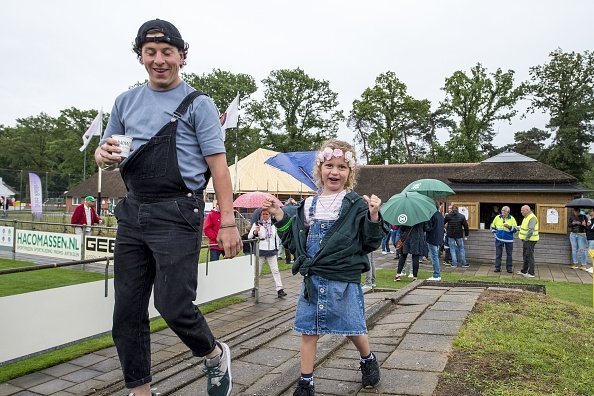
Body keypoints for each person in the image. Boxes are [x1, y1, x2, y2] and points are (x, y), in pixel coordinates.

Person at [94, 19, 242, 396]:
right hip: (133, 211)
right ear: (141, 56)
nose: (159, 60)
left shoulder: (198, 104)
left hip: (178, 212)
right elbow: (110, 155)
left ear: (181, 55)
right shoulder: (125, 102)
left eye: (167, 52)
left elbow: (219, 168)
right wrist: (100, 155)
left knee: (173, 305)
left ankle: (212, 354)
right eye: (150, 52)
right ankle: (140, 390)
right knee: (127, 312)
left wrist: (227, 223)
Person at [263, 139, 386, 395]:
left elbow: (371, 242)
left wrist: (374, 216)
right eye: (329, 165)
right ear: (319, 169)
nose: (335, 171)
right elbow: (294, 242)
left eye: (342, 166)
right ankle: (305, 381)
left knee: (353, 328)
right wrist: (278, 215)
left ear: (350, 172)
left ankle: (368, 358)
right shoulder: (307, 206)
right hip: (314, 280)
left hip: (343, 279)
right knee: (309, 331)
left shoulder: (357, 206)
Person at [248, 208, 287, 298]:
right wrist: (255, 232)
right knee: (257, 271)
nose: (265, 216)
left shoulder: (273, 225)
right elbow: (250, 236)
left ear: (270, 215)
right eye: (263, 214)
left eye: (267, 214)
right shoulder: (257, 224)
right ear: (261, 215)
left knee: (275, 270)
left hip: (271, 250)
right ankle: (254, 288)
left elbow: (276, 238)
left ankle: (280, 290)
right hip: (260, 251)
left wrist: (277, 249)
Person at [490, 205, 518, 273]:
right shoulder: (497, 217)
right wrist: (495, 233)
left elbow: (515, 230)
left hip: (509, 240)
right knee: (498, 254)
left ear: (508, 212)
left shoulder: (512, 219)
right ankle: (497, 268)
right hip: (499, 239)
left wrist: (509, 227)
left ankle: (509, 268)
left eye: (505, 211)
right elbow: (493, 226)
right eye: (502, 210)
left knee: (509, 255)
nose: (503, 212)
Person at [517, 205, 539, 278]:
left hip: (530, 240)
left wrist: (526, 239)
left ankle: (531, 273)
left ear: (527, 210)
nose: (521, 212)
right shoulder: (526, 217)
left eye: (522, 211)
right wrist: (517, 227)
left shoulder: (532, 218)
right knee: (525, 256)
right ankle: (524, 271)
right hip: (527, 240)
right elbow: (524, 227)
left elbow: (531, 230)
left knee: (529, 256)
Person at [425, 202, 445, 281]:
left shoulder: (432, 216)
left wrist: (425, 223)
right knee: (435, 256)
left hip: (432, 238)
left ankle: (436, 275)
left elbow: (428, 228)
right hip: (439, 238)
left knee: (434, 257)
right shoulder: (440, 215)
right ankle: (437, 274)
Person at [584, 209, 594, 273]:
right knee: (590, 253)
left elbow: (592, 229)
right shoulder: (590, 219)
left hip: (593, 238)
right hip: (589, 238)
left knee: (591, 253)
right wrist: (586, 225)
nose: (589, 212)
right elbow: (588, 229)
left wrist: (588, 225)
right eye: (589, 211)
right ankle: (592, 267)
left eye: (591, 211)